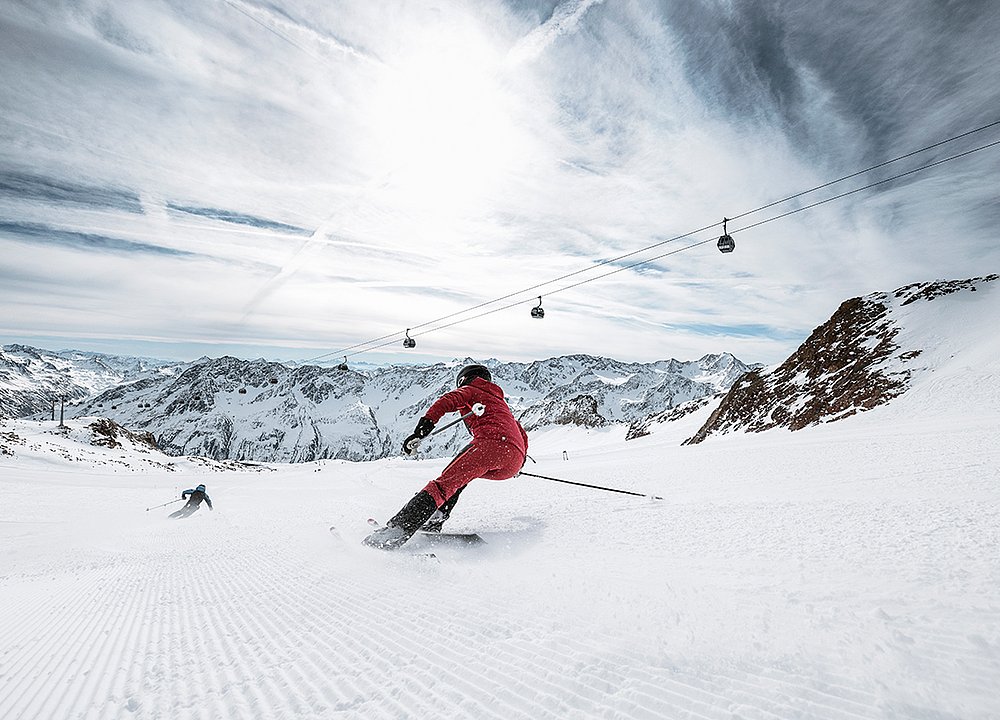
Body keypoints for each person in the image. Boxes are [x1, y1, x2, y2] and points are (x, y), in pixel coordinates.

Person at [363, 364, 528, 550]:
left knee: (442, 486)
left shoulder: (472, 388)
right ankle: (433, 519)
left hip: (490, 445)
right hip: (514, 460)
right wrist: (518, 463)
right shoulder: (500, 402)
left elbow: (446, 401)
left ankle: (395, 533)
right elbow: (521, 433)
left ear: (463, 380)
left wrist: (421, 430)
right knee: (458, 479)